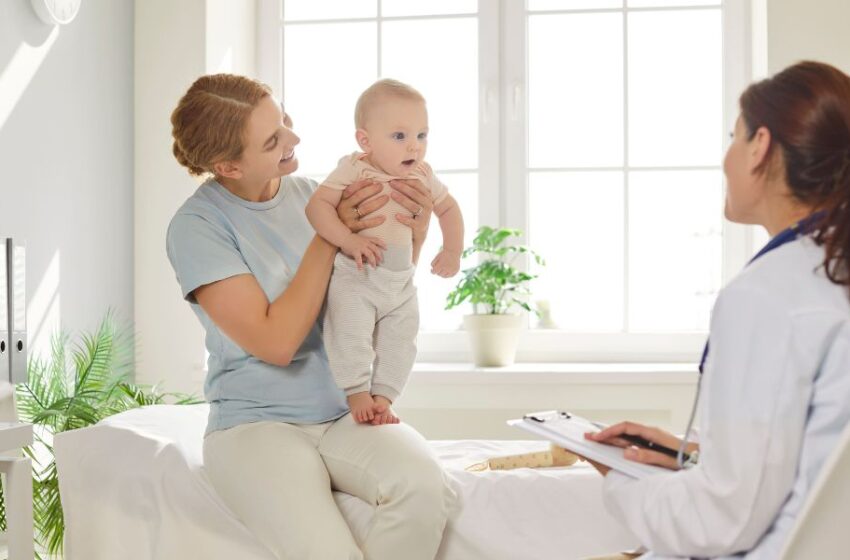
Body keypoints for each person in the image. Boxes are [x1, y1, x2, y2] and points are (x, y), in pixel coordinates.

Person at [166, 73, 457, 560]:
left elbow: (381, 288)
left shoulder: (315, 194)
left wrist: (419, 229)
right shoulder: (198, 227)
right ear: (227, 165)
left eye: (286, 121)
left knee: (425, 487)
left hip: (345, 411)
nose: (294, 140)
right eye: (272, 139)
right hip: (255, 426)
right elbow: (275, 343)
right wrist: (333, 236)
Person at [583, 60, 850, 560]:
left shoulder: (770, 294)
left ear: (761, 147)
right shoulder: (829, 274)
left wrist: (621, 479)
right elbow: (814, 452)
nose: (726, 156)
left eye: (734, 136)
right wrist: (690, 453)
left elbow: (721, 521)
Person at [306, 79, 464, 425]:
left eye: (422, 135)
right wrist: (348, 240)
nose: (415, 147)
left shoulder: (423, 174)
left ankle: (385, 396)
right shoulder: (354, 168)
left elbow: (449, 209)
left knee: (402, 340)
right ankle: (357, 389)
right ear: (366, 140)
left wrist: (452, 251)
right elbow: (317, 207)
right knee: (349, 330)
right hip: (357, 276)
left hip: (400, 282)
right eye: (400, 137)